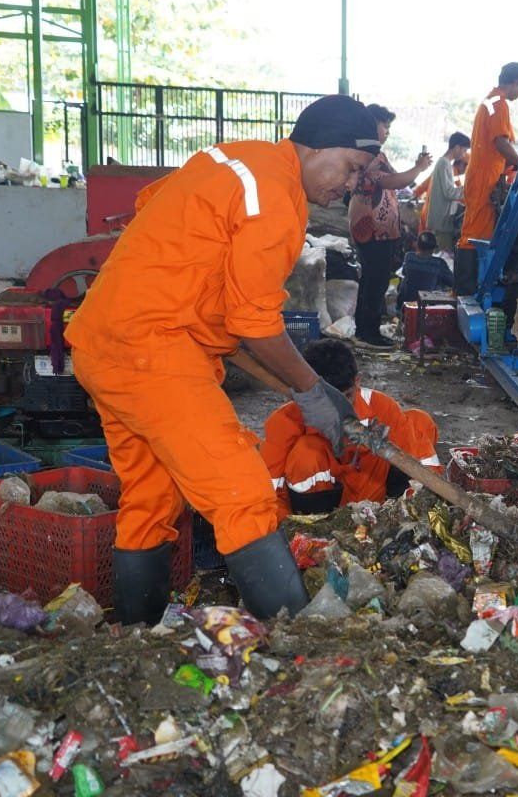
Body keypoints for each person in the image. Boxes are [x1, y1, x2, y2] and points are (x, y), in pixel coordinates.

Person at [65, 95, 380, 625]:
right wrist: (309, 388)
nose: (350, 185)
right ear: (317, 143)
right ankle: (303, 649)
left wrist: (300, 392)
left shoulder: (237, 160)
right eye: (351, 168)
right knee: (241, 489)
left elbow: (230, 325)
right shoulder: (274, 197)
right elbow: (255, 323)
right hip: (153, 351)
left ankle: (136, 635)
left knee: (152, 498)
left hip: (106, 345)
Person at [262, 339, 442, 514]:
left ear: (357, 382)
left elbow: (424, 464)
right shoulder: (285, 420)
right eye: (326, 402)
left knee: (419, 422)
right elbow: (268, 494)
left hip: (377, 502)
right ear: (306, 392)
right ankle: (318, 521)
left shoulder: (381, 406)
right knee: (307, 452)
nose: (338, 411)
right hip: (326, 509)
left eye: (347, 396)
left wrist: (421, 508)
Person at [349, 104, 433, 349]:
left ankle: (363, 329)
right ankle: (369, 333)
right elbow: (394, 181)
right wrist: (418, 167)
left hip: (373, 228)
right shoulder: (370, 156)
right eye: (385, 125)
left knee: (371, 280)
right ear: (371, 123)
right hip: (373, 229)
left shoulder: (371, 154)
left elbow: (396, 181)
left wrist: (416, 169)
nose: (387, 131)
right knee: (376, 281)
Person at [455, 62, 518, 294]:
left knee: (474, 230)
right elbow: (500, 142)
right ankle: (466, 293)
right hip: (485, 180)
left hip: (481, 178)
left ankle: (467, 291)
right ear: (517, 82)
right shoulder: (499, 103)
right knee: (474, 235)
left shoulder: (489, 101)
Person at [426, 132, 471, 251]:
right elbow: (449, 192)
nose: (464, 154)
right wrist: (469, 189)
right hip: (442, 223)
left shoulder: (445, 164)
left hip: (442, 221)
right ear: (457, 147)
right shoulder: (444, 164)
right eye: (464, 150)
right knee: (443, 256)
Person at [397, 231, 455, 311]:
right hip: (427, 307)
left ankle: (398, 309)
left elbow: (404, 272)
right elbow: (452, 282)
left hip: (405, 306)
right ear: (433, 249)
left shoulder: (409, 257)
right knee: (443, 288)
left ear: (417, 246)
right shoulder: (439, 263)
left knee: (403, 281)